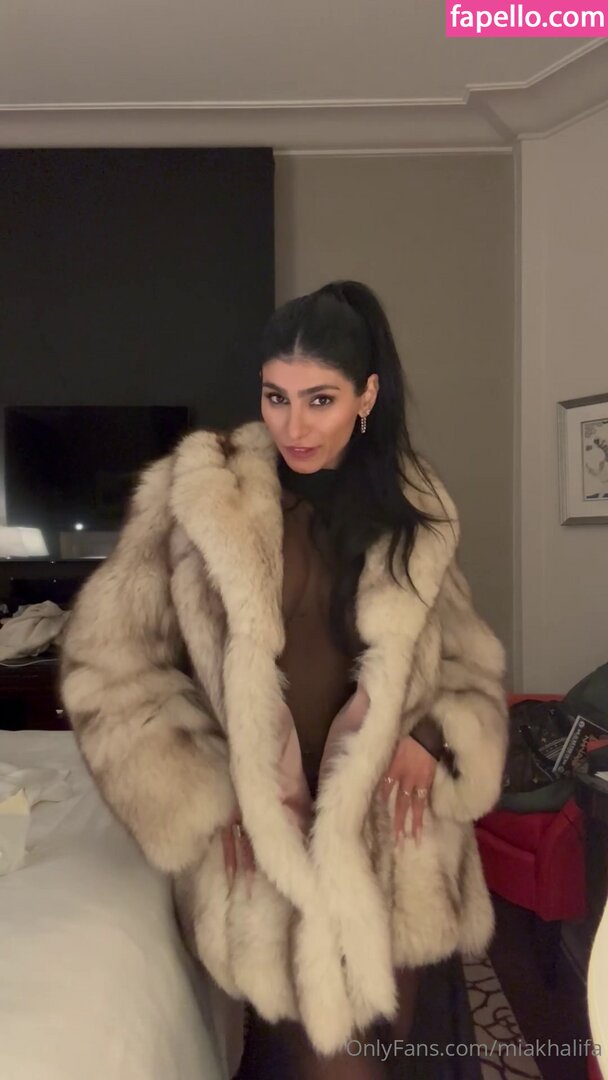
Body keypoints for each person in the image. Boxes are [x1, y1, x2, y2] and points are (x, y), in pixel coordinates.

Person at [60, 280, 508, 1078]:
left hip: (390, 835)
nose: (294, 426)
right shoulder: (200, 497)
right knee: (318, 1060)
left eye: (320, 400)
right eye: (276, 397)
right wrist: (209, 785)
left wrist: (432, 734)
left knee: (390, 1048)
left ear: (366, 396)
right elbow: (107, 666)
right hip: (268, 843)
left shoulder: (413, 512)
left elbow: (466, 659)